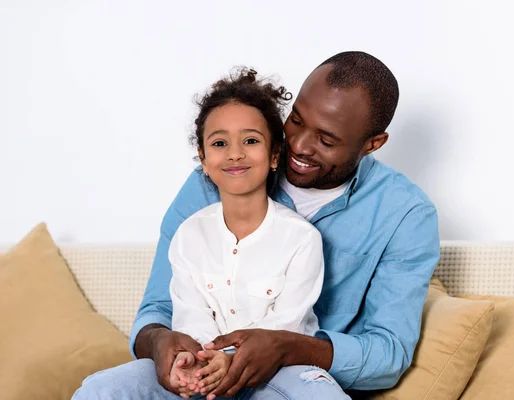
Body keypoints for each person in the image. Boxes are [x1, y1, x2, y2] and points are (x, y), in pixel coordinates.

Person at [73, 51, 440, 400]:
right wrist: (158, 342)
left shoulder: (404, 213)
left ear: (373, 143)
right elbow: (158, 308)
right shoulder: (216, 178)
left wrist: (285, 348)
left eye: (326, 140)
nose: (298, 144)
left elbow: (388, 354)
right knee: (99, 391)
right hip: (199, 369)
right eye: (295, 119)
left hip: (293, 378)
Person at [166, 69, 325, 399]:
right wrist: (198, 359)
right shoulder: (188, 235)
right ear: (204, 159)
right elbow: (190, 313)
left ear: (274, 155)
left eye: (250, 141)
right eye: (220, 143)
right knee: (103, 387)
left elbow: (286, 326)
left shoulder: (302, 239)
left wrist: (229, 359)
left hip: (279, 372)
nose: (235, 153)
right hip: (205, 367)